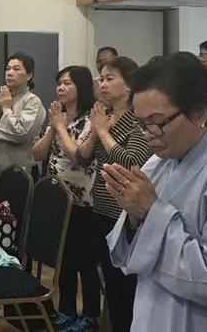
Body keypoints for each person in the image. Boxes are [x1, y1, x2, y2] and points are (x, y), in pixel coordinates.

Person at [105, 52, 207, 332]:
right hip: (151, 312)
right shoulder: (158, 161)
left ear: (199, 112)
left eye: (157, 121)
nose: (148, 133)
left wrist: (151, 212)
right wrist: (133, 218)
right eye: (140, 124)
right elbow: (124, 256)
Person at [76, 56, 152, 332]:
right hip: (100, 208)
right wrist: (97, 132)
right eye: (101, 78)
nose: (102, 84)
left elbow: (132, 161)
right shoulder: (103, 116)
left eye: (110, 78)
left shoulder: (138, 118)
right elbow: (82, 158)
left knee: (124, 288)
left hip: (124, 213)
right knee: (108, 282)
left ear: (129, 85)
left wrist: (104, 133)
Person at [32, 65, 100, 332]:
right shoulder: (57, 118)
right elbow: (37, 154)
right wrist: (52, 128)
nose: (61, 87)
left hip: (83, 201)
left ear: (80, 87)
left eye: (67, 83)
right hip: (58, 200)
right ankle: (67, 310)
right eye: (59, 82)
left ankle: (91, 314)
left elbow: (79, 157)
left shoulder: (90, 118)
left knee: (85, 261)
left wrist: (60, 128)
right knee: (65, 260)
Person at [0, 52, 45, 207]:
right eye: (8, 68)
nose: (10, 72)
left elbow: (21, 134)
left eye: (16, 69)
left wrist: (6, 110)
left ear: (29, 75)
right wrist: (1, 116)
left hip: (16, 171)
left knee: (12, 218)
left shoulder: (32, 102)